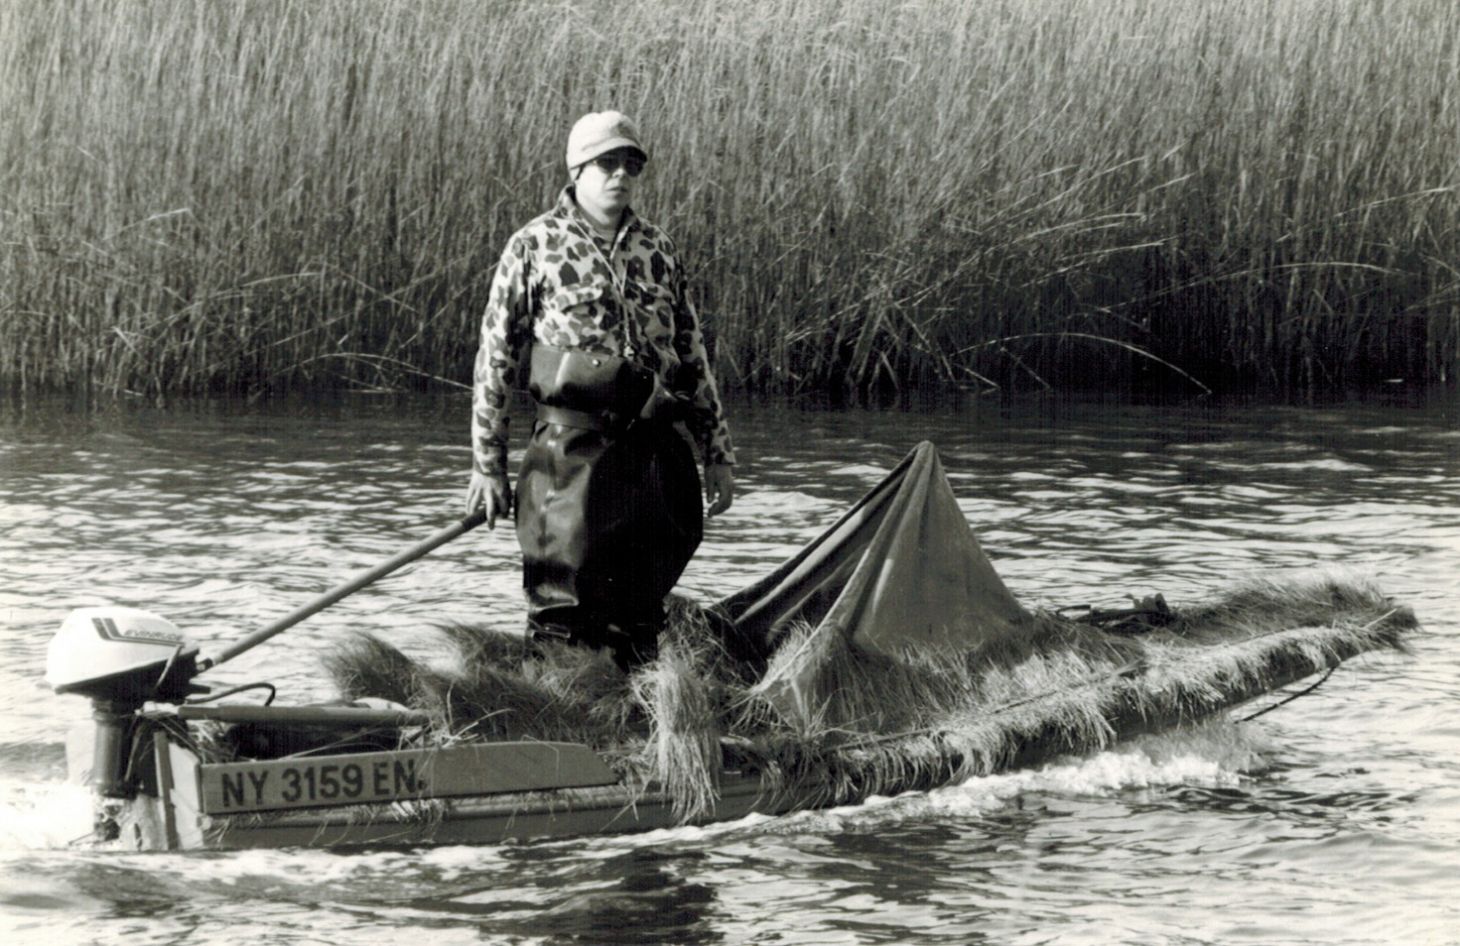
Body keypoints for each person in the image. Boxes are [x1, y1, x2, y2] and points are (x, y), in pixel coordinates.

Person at [465, 110, 736, 670]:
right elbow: (495, 356)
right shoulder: (533, 246)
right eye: (607, 164)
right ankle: (555, 717)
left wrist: (718, 453)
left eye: (630, 165)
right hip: (568, 458)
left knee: (639, 612)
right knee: (562, 611)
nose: (620, 176)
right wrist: (487, 467)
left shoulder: (659, 251)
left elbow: (693, 355)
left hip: (649, 455)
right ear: (577, 170)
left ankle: (635, 727)